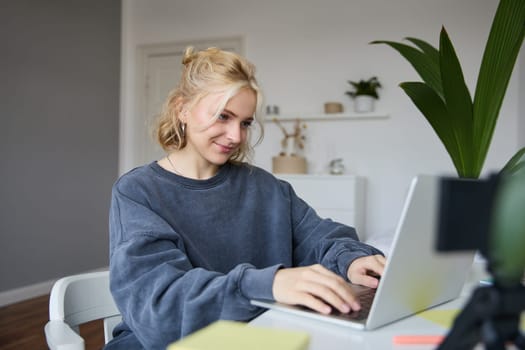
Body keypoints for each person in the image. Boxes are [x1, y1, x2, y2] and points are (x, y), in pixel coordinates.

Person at [106, 47, 385, 349]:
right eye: (223, 116)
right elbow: (159, 309)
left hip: (258, 335)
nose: (236, 136)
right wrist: (268, 285)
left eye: (245, 123)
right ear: (181, 109)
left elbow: (323, 237)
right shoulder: (138, 192)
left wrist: (352, 259)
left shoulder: (265, 187)